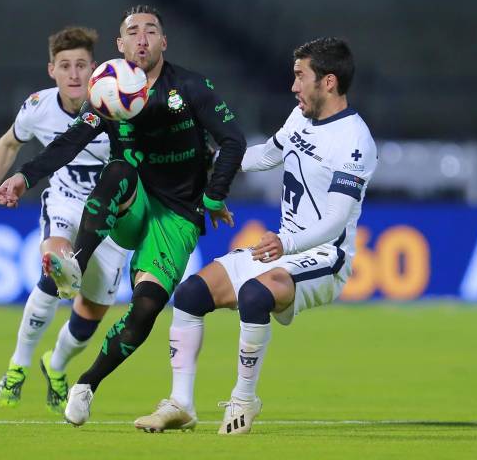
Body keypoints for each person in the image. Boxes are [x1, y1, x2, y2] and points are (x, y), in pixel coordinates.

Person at [0, 4, 246, 426]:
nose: (142, 38)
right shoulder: (107, 90)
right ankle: (77, 262)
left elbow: (233, 141)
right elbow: (70, 141)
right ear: (120, 44)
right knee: (121, 169)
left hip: (177, 213)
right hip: (134, 198)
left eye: (151, 31)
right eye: (133, 31)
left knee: (146, 308)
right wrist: (23, 177)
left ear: (164, 42)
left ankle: (86, 386)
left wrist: (215, 197)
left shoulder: (190, 87)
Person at [134, 37, 377, 434]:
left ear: (328, 82)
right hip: (284, 247)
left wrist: (287, 244)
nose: (294, 86)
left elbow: (336, 219)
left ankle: (244, 399)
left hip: (325, 258)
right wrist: (212, 159)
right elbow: (266, 155)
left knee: (256, 295)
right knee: (191, 292)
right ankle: (181, 403)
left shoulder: (354, 142)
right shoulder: (300, 118)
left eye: (301, 76)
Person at [0, 26, 130, 414]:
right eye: (65, 65)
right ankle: (17, 366)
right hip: (65, 206)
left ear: (94, 68)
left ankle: (56, 364)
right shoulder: (38, 107)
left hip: (113, 222)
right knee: (57, 266)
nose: (73, 74)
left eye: (81, 65)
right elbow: (8, 144)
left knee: (89, 318)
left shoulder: (116, 107)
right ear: (52, 70)